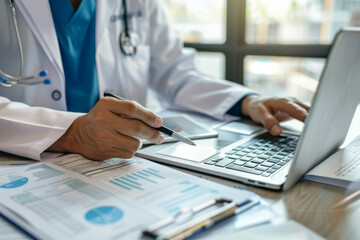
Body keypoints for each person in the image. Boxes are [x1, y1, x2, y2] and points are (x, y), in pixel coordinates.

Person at [0, 0, 308, 161]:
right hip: (23, 165)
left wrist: (246, 102)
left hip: (119, 164)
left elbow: (174, 71)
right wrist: (72, 133)